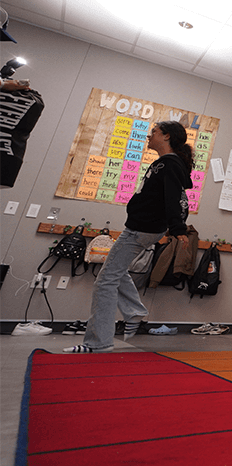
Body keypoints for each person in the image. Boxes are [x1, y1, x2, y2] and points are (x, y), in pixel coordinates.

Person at [64, 121, 192, 353]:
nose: (148, 136)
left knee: (105, 282)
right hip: (141, 227)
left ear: (166, 136)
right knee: (114, 271)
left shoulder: (170, 164)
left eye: (153, 132)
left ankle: (98, 342)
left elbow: (174, 198)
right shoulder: (165, 164)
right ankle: (134, 313)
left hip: (141, 229)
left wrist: (179, 229)